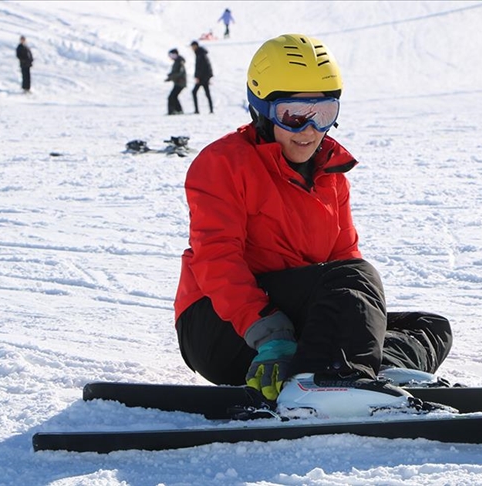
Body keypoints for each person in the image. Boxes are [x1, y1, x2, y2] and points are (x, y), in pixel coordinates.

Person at [174, 33, 452, 413]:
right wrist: (270, 334)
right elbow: (216, 258)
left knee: (429, 327)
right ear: (261, 108)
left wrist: (361, 325)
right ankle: (331, 379)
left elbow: (343, 262)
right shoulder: (223, 163)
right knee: (354, 279)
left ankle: (376, 369)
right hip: (222, 327)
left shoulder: (331, 173)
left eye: (323, 113)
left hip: (293, 324)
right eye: (294, 114)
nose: (309, 130)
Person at [190, 40, 213, 114]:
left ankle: (199, 110)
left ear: (195, 46)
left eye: (192, 46)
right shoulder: (199, 53)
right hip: (203, 77)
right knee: (206, 93)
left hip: (203, 78)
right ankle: (210, 109)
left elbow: (202, 67)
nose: (192, 48)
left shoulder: (201, 54)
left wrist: (198, 77)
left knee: (195, 92)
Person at [165, 48, 187, 115]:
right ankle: (178, 110)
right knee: (174, 96)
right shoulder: (177, 61)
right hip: (178, 82)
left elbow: (179, 72)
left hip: (180, 82)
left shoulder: (179, 61)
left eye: (171, 55)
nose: (170, 57)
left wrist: (172, 76)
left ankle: (172, 111)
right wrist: (170, 77)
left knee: (171, 97)